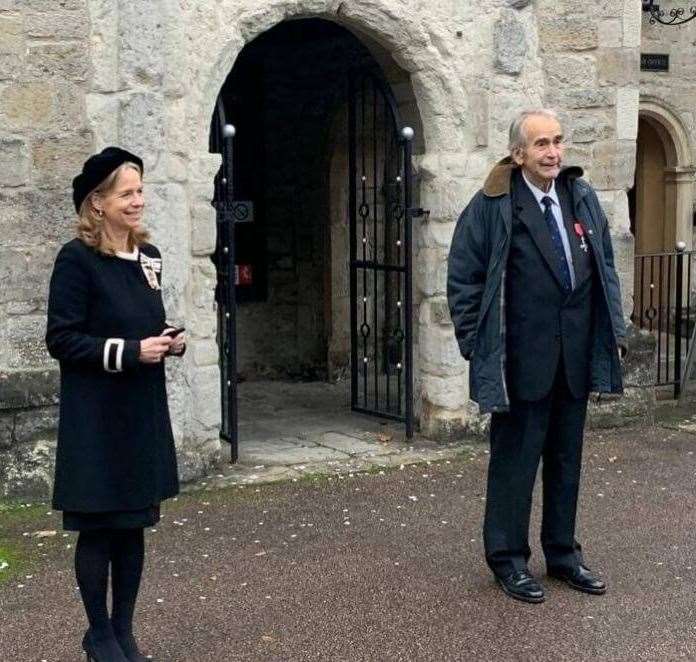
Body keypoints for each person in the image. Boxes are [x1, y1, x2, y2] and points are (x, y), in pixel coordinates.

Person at [447, 109, 626, 604]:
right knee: (515, 465)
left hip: (573, 359)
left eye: (558, 142)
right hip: (518, 363)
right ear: (519, 153)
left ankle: (563, 555)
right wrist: (476, 345)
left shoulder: (580, 197)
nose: (553, 152)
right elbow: (463, 280)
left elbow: (605, 267)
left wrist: (613, 329)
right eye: (542, 144)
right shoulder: (493, 205)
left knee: (567, 462)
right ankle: (508, 560)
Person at [46, 147, 185, 661]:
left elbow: (147, 322)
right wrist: (128, 352)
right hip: (97, 418)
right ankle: (98, 634)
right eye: (126, 193)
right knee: (99, 528)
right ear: (97, 203)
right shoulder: (75, 259)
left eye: (140, 190)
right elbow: (61, 339)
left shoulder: (149, 258)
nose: (138, 201)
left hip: (139, 414)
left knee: (132, 525)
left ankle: (124, 631)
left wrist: (170, 339)